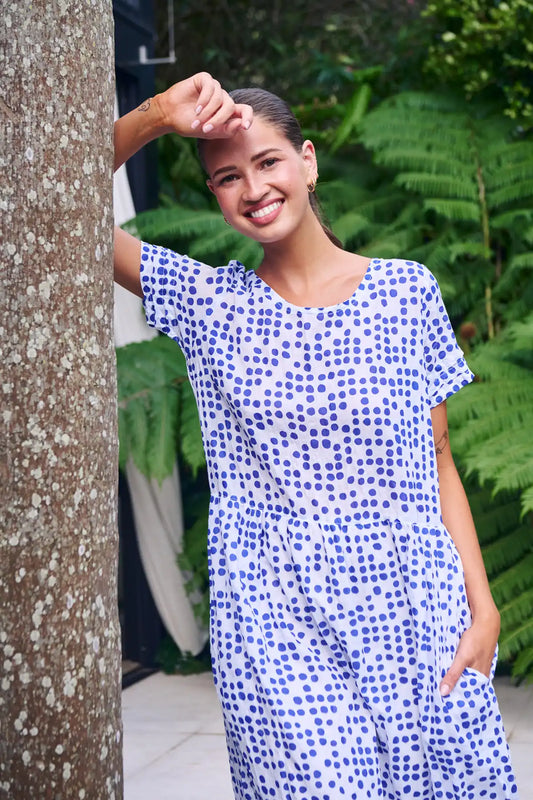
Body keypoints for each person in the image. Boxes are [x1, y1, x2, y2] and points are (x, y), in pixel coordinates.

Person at [114, 73, 518, 799]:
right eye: (225, 178)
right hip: (276, 620)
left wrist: (482, 609)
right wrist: (153, 116)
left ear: (307, 161)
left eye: (266, 162)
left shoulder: (406, 292)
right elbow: (46, 203)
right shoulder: (210, 304)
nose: (251, 188)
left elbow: (438, 462)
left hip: (414, 605)